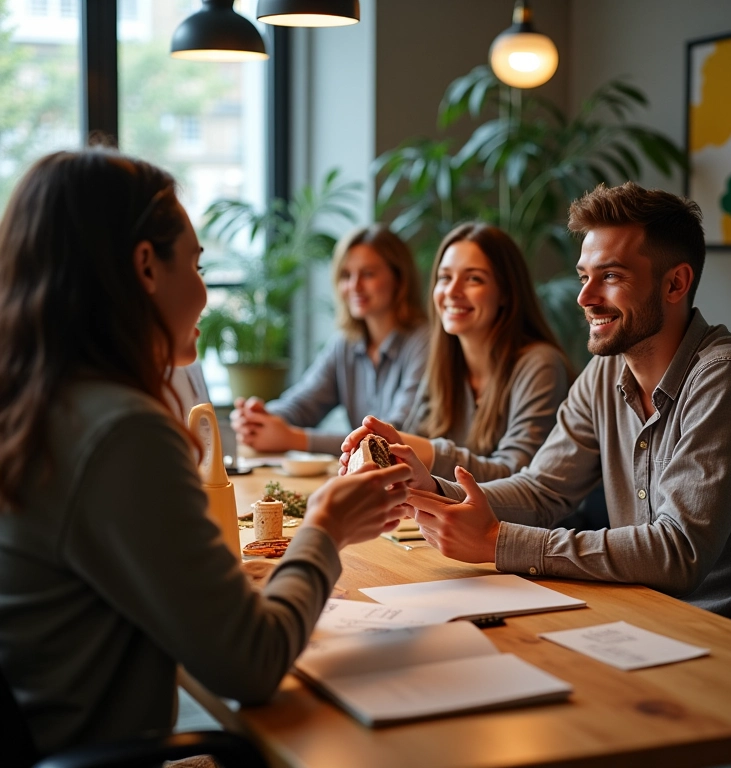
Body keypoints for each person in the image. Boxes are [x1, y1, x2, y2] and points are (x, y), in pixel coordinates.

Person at [0, 148, 412, 755]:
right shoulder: (122, 433)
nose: (205, 291)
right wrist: (324, 526)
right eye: (194, 263)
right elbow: (249, 666)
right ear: (146, 267)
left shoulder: (34, 406)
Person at [382, 182, 731, 618]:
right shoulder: (606, 370)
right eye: (585, 276)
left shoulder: (727, 375)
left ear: (675, 283)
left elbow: (678, 551)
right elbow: (543, 490)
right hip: (638, 612)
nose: (585, 298)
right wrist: (430, 489)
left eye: (611, 276)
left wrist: (498, 541)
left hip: (726, 631)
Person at [344, 223, 572, 482]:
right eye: (445, 277)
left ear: (506, 293)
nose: (452, 292)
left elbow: (515, 475)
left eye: (473, 278)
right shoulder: (443, 363)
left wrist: (423, 452)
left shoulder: (540, 365)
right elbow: (408, 457)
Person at [230, 224, 429, 456]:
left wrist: (294, 439)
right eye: (346, 275)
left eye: (368, 274)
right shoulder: (345, 343)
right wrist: (258, 419)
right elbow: (304, 403)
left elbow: (397, 436)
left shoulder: (425, 342)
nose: (354, 286)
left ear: (399, 279)